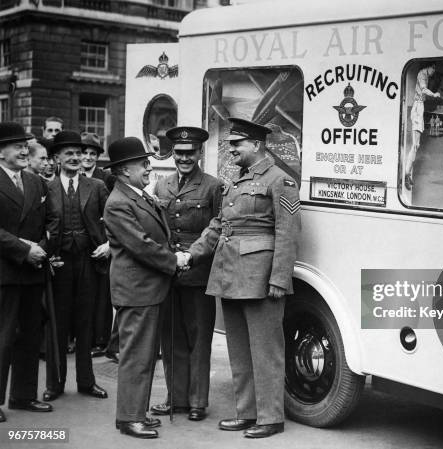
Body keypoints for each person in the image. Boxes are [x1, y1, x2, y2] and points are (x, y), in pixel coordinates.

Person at [185, 118, 300, 439]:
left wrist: (279, 278)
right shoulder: (236, 182)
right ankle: (247, 413)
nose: (231, 148)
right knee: (239, 349)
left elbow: (288, 233)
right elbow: (219, 225)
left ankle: (270, 417)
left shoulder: (280, 181)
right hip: (231, 274)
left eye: (237, 143)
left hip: (261, 277)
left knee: (266, 351)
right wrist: (192, 254)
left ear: (257, 145)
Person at [103, 136, 186, 439]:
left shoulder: (135, 194)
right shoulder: (118, 202)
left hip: (147, 289)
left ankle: (137, 412)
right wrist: (173, 261)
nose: (148, 167)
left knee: (145, 355)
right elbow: (141, 245)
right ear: (124, 170)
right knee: (136, 356)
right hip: (136, 290)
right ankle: (129, 418)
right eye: (142, 163)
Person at [150, 126, 223, 421]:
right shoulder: (162, 186)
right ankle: (175, 398)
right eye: (179, 153)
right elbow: (157, 227)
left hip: (197, 274)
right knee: (171, 339)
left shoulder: (212, 186)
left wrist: (192, 255)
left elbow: (217, 227)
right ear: (172, 154)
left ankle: (197, 402)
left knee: (199, 339)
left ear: (200, 153)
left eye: (189, 153)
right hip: (169, 274)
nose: (184, 158)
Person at [43, 131, 109, 402]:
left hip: (88, 261)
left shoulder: (96, 187)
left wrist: (109, 245)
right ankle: (55, 384)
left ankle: (86, 381)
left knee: (86, 324)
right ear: (56, 158)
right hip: (58, 264)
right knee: (57, 325)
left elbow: (114, 219)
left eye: (77, 153)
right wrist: (46, 256)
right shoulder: (44, 188)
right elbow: (38, 226)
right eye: (68, 153)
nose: (74, 158)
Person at [0, 122, 56, 422]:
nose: (24, 150)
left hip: (34, 269)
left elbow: (51, 221)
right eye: (17, 146)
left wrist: (42, 248)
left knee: (30, 336)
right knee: (3, 337)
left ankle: (23, 396)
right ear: (0, 151)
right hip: (5, 271)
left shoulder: (35, 182)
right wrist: (24, 250)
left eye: (25, 146)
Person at [80, 132, 116, 357]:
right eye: (84, 153)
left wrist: (109, 243)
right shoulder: (64, 175)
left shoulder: (104, 179)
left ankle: (100, 340)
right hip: (78, 243)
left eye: (92, 153)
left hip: (100, 242)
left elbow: (112, 213)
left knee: (101, 296)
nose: (87, 157)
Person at [405, 62, 440, 190]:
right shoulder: (422, 74)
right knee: (414, 146)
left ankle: (408, 174)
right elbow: (424, 89)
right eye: (433, 71)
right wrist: (434, 94)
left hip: (420, 107)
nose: (433, 74)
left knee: (417, 146)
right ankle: (406, 175)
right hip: (417, 107)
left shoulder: (426, 75)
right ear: (431, 67)